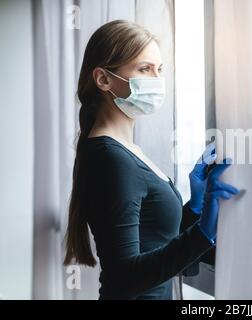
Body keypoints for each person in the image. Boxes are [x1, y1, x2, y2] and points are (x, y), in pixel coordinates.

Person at [63, 20, 241, 300]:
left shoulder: (124, 149)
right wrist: (203, 234)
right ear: (103, 79)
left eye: (159, 70)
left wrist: (194, 208)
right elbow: (124, 277)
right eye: (145, 69)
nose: (157, 80)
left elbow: (155, 243)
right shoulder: (111, 158)